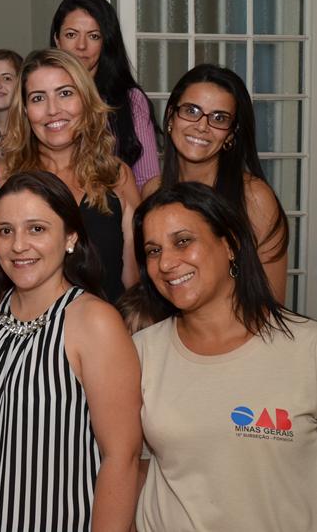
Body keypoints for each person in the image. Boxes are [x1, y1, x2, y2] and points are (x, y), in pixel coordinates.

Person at [0, 170, 141, 531]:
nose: (18, 245)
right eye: (5, 231)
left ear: (70, 237)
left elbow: (122, 457)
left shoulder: (94, 321)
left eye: (37, 229)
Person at [131, 182, 316, 531]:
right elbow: (132, 469)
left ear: (230, 244)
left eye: (183, 241)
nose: (166, 262)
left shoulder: (307, 350)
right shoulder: (140, 353)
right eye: (153, 251)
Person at [0, 49, 140, 304]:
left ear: (86, 99)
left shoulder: (116, 176)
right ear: (25, 110)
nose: (53, 110)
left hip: (106, 325)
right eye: (38, 98)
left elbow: (134, 285)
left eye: (65, 93)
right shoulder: (0, 178)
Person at [141, 64, 288, 302]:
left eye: (219, 118)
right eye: (191, 111)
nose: (202, 126)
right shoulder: (153, 191)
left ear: (230, 134)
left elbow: (272, 303)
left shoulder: (254, 197)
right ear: (170, 118)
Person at [50, 0, 160, 190]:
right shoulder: (39, 100)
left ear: (106, 42)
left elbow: (147, 181)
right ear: (57, 40)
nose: (81, 46)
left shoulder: (131, 100)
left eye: (93, 36)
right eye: (71, 34)